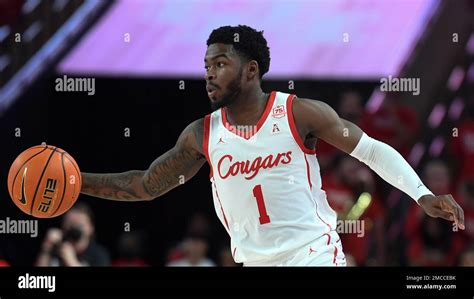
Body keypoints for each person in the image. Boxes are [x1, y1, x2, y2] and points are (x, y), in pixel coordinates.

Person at [80, 25, 464, 266]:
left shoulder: (299, 114)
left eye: (220, 64)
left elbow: (371, 150)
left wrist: (421, 194)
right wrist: (76, 181)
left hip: (313, 255)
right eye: (206, 66)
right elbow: (146, 185)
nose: (209, 73)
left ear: (251, 70)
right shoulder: (201, 135)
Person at [36, 203, 110, 266]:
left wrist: (71, 261)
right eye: (70, 224)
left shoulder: (98, 255)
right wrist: (46, 249)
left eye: (80, 225)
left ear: (91, 228)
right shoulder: (56, 247)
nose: (75, 229)